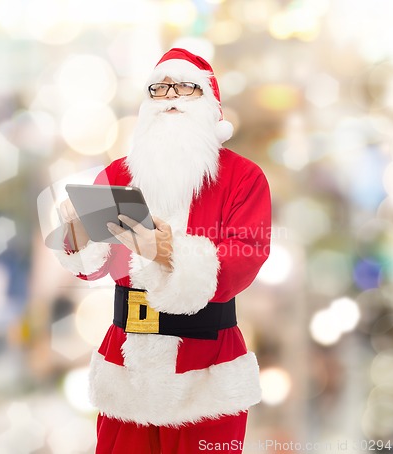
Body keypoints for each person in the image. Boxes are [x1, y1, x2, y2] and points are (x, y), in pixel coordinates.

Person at [54, 48, 271, 454]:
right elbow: (92, 268)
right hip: (128, 371)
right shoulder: (117, 174)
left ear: (209, 103)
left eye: (185, 87)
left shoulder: (244, 177)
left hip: (207, 373)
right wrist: (77, 234)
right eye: (159, 88)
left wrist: (168, 251)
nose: (169, 96)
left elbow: (245, 258)